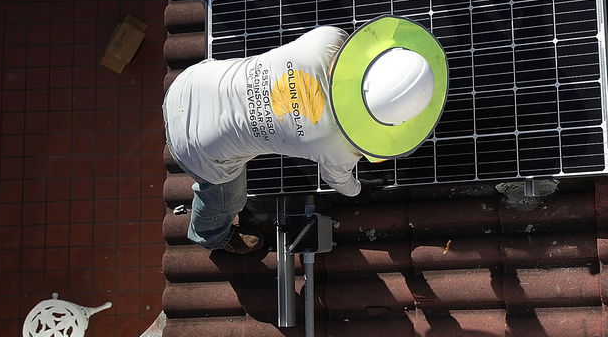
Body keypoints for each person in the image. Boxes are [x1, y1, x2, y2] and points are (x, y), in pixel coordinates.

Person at [163, 17, 448, 254]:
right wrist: (359, 189)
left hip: (190, 83)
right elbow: (338, 181)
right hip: (195, 146)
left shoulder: (329, 38)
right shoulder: (338, 145)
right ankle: (211, 235)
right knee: (229, 199)